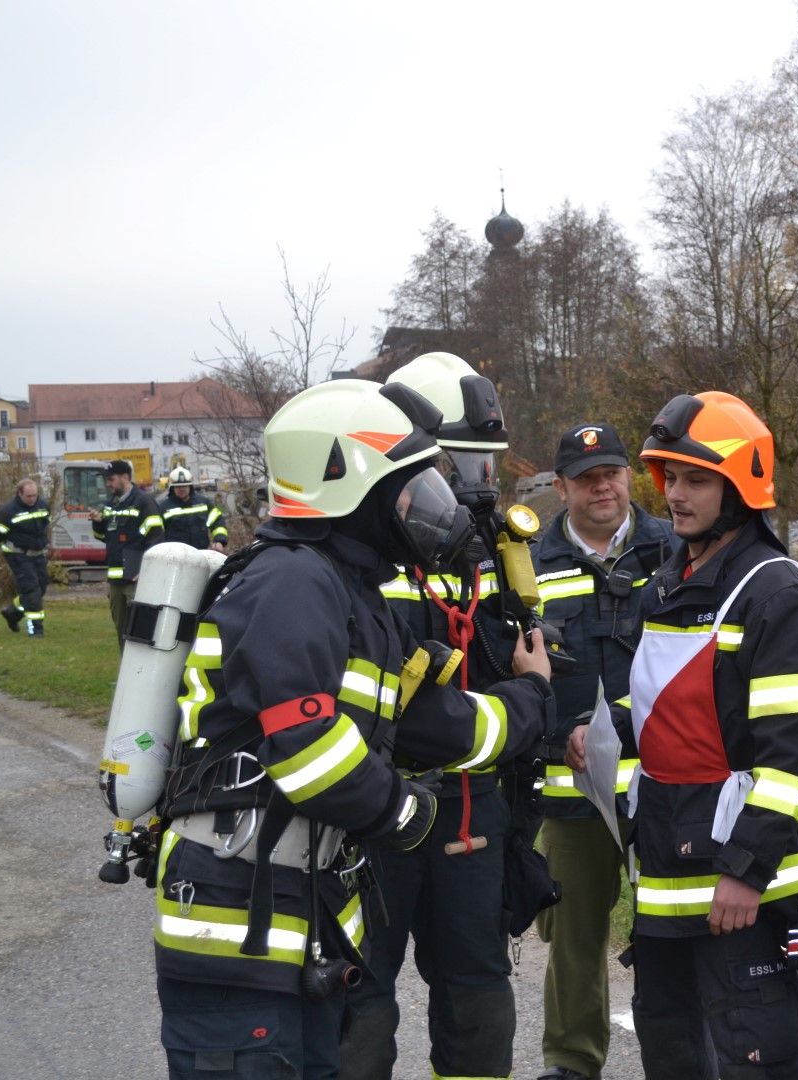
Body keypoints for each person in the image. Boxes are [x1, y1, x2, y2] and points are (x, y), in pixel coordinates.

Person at [153, 377, 554, 1079]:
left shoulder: (348, 595)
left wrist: (530, 697)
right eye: (406, 489)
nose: (422, 506)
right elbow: (309, 752)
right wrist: (406, 813)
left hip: (289, 918)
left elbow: (428, 724)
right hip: (239, 927)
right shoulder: (292, 582)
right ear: (351, 485)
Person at [570, 391, 798, 1080]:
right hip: (666, 888)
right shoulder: (668, 584)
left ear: (741, 487)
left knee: (754, 1062)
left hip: (741, 896)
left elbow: (796, 751)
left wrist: (746, 872)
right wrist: (605, 732)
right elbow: (666, 706)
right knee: (673, 1058)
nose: (674, 494)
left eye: (696, 479)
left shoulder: (775, 592)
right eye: (670, 477)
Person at [338, 351, 533, 1080]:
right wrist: (529, 700)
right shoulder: (359, 565)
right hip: (373, 804)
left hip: (471, 809)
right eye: (460, 466)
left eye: (487, 466)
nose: (477, 488)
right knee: (358, 991)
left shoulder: (501, 557)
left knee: (477, 986)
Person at [531, 421, 677, 1080]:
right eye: (585, 478)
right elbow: (514, 673)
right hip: (572, 794)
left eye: (612, 474)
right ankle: (571, 1061)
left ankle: (681, 1059)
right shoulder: (527, 566)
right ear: (561, 488)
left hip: (664, 785)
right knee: (573, 935)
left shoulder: (674, 549)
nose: (602, 487)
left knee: (673, 933)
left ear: (629, 477)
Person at [94, 458, 163, 649]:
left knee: (139, 628)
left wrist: (147, 568)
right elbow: (104, 537)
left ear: (125, 477)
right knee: (121, 628)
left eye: (111, 479)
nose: (108, 484)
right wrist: (98, 523)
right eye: (106, 480)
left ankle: (141, 667)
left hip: (136, 576)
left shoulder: (144, 502)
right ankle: (125, 667)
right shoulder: (111, 504)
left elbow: (156, 537)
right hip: (116, 580)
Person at [0, 477, 51, 637]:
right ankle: (35, 630)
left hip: (38, 554)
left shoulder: (43, 505)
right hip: (18, 555)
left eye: (35, 495)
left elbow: (45, 524)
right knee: (31, 590)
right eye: (28, 496)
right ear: (19, 493)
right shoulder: (7, 512)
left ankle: (12, 613)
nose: (32, 499)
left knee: (41, 588)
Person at [159, 465, 229, 552]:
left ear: (190, 486)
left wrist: (219, 541)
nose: (181, 489)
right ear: (172, 488)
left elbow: (218, 522)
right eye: (178, 487)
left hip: (201, 553)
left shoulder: (203, 503)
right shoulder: (163, 508)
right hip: (174, 556)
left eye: (185, 486)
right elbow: (156, 534)